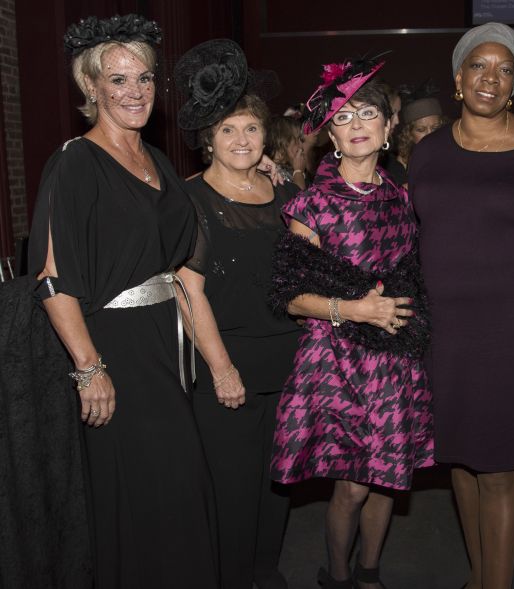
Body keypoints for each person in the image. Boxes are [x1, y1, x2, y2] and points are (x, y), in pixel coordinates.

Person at [27, 14, 219, 588]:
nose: (133, 91)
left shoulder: (157, 161)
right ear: (92, 88)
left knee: (180, 486)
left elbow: (182, 251)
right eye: (117, 80)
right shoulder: (75, 164)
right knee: (137, 493)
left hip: (165, 345)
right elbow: (52, 280)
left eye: (143, 78)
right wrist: (89, 369)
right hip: (115, 350)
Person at [409, 22, 514, 589]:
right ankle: (480, 576)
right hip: (445, 331)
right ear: (459, 77)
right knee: (458, 458)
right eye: (479, 65)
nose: (491, 77)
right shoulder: (426, 153)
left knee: (501, 470)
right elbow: (406, 236)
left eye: (505, 70)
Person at [269, 56, 434, 589]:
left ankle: (369, 574)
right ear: (330, 133)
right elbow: (291, 298)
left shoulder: (406, 200)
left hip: (393, 360)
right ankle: (336, 576)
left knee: (387, 482)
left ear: (389, 127)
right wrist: (357, 309)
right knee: (352, 487)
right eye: (343, 115)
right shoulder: (310, 206)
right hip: (337, 361)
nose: (357, 123)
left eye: (368, 113)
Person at [173, 40, 302, 589]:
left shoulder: (285, 194)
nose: (242, 139)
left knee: (278, 488)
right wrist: (222, 369)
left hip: (289, 363)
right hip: (228, 369)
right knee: (230, 494)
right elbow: (187, 291)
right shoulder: (192, 200)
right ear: (209, 141)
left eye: (250, 127)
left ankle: (264, 574)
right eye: (228, 130)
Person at [395, 81, 448, 175]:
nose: (430, 134)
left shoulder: (454, 153)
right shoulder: (403, 162)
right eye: (421, 130)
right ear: (409, 134)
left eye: (435, 128)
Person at [266, 114, 308, 188]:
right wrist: (298, 172)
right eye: (297, 141)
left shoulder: (289, 170)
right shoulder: (275, 176)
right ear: (279, 151)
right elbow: (300, 197)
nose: (301, 146)